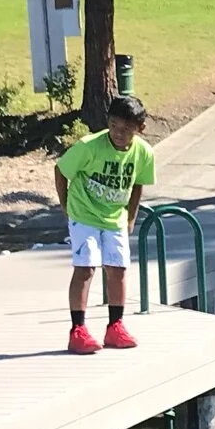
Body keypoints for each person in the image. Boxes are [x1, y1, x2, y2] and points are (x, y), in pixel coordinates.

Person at [54, 94, 157, 354]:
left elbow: (137, 183)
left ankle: (115, 326)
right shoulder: (89, 146)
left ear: (139, 129)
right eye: (113, 126)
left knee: (118, 269)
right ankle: (77, 330)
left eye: (126, 129)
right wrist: (67, 209)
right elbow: (61, 170)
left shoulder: (143, 152)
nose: (118, 133)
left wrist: (131, 216)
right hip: (84, 213)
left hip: (114, 217)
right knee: (86, 268)